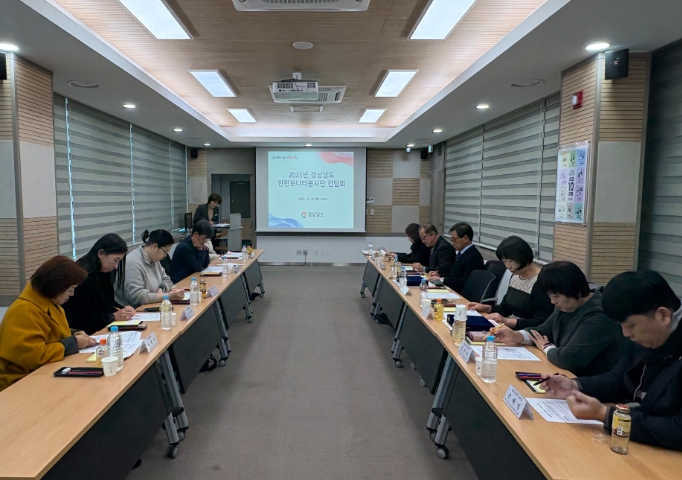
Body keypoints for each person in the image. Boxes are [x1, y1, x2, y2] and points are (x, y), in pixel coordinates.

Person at [540, 271, 682, 451]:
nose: (625, 333)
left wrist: (606, 415)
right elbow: (620, 379)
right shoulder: (649, 334)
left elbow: (678, 429)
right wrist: (575, 386)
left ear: (663, 315)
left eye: (630, 326)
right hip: (640, 436)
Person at [493, 261, 626, 377]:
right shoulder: (567, 305)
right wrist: (517, 336)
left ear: (574, 290)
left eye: (555, 296)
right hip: (561, 373)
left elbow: (568, 359)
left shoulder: (600, 315)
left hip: (588, 383)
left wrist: (546, 347)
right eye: (550, 296)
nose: (552, 302)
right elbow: (543, 330)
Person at [0, 256, 97, 391]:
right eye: (70, 289)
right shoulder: (25, 310)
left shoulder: (49, 303)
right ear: (57, 285)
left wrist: (74, 333)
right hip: (20, 382)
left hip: (43, 373)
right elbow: (35, 356)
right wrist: (73, 343)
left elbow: (51, 333)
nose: (72, 294)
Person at [468, 236, 554, 329]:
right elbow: (506, 308)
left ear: (524, 257)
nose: (508, 266)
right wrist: (487, 308)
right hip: (508, 328)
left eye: (511, 261)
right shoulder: (516, 275)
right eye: (504, 261)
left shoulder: (541, 282)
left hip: (526, 332)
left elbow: (541, 322)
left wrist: (507, 321)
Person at [63, 234, 136, 335]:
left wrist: (124, 309)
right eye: (115, 260)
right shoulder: (82, 278)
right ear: (101, 253)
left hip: (104, 329)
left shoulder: (106, 272)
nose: (116, 266)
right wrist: (112, 317)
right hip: (87, 335)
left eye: (119, 261)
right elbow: (79, 320)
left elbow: (106, 304)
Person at [116, 230, 186, 307]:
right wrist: (167, 296)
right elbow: (137, 297)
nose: (165, 255)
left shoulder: (154, 260)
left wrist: (161, 289)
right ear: (154, 247)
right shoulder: (133, 263)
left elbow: (167, 280)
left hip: (152, 304)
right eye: (165, 252)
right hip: (134, 309)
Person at [428, 222, 484, 293]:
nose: (452, 243)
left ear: (465, 238)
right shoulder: (461, 254)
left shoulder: (474, 257)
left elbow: (465, 282)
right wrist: (439, 275)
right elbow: (454, 275)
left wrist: (442, 280)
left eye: (454, 239)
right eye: (451, 240)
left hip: (463, 294)